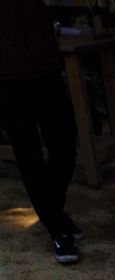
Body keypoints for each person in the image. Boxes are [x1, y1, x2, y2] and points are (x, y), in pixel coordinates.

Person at [0, 0, 82, 264]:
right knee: (29, 155)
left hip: (47, 69)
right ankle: (58, 229)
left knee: (65, 146)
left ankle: (53, 212)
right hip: (7, 79)